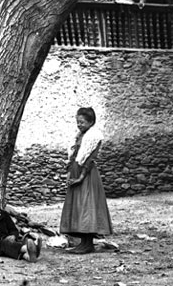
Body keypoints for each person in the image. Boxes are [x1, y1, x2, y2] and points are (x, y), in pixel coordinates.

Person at [60, 107, 112, 254]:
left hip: (86, 175)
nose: (79, 125)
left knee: (86, 206)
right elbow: (74, 155)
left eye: (82, 122)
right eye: (78, 122)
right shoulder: (80, 135)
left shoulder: (94, 136)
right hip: (76, 171)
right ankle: (83, 242)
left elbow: (90, 158)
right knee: (77, 207)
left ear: (91, 122)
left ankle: (88, 243)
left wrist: (81, 177)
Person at [0, 188, 40, 263]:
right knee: (2, 245)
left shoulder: (4, 214)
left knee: (11, 245)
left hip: (7, 241)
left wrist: (13, 236)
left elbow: (13, 229)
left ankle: (29, 256)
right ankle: (28, 249)